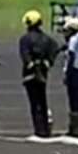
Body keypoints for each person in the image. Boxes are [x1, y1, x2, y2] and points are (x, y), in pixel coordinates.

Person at [19, 10, 59, 138]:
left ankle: (39, 129)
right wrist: (48, 62)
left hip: (30, 74)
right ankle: (46, 128)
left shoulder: (25, 39)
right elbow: (55, 48)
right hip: (43, 71)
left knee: (34, 102)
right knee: (42, 101)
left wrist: (31, 64)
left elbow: (25, 55)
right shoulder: (47, 39)